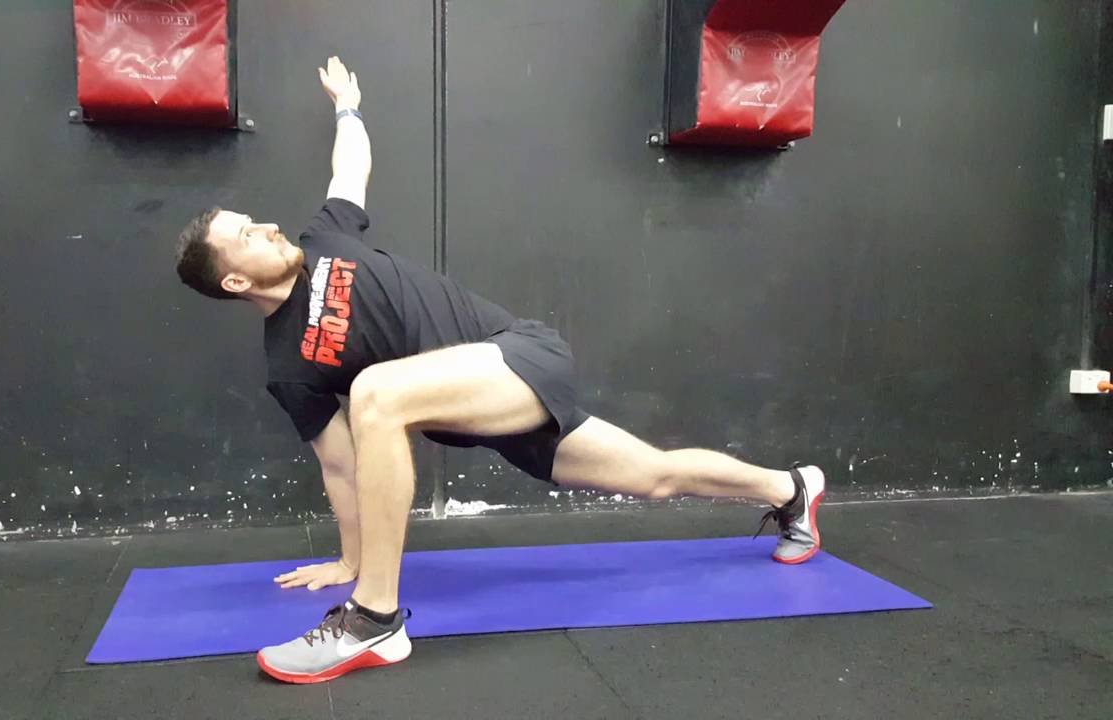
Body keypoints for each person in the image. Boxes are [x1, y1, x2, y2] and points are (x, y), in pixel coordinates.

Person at [174, 56, 826, 684]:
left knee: (376, 391)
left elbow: (350, 169)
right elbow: (341, 464)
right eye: (245, 235)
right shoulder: (287, 365)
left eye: (252, 220)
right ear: (234, 281)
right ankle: (791, 489)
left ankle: (374, 619)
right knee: (655, 476)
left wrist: (347, 107)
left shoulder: (324, 238)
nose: (265, 226)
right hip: (492, 415)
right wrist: (348, 557)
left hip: (517, 353)